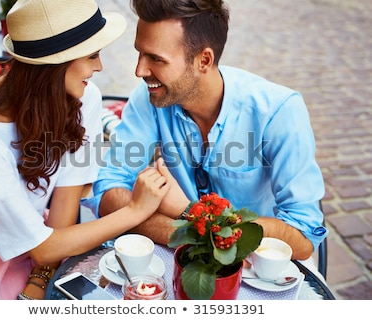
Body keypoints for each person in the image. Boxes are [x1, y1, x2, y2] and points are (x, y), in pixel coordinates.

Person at [0, 0, 171, 300]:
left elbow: (67, 191)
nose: (99, 66)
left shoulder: (83, 96)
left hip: (43, 240)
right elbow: (42, 248)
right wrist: (136, 210)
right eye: (92, 55)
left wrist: (41, 276)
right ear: (54, 65)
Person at [85, 0, 328, 264]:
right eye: (140, 53)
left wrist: (186, 212)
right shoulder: (148, 99)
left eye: (156, 59)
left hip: (254, 268)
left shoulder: (278, 113)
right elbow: (108, 190)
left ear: (204, 60)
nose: (140, 70)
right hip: (174, 261)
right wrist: (193, 234)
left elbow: (303, 237)